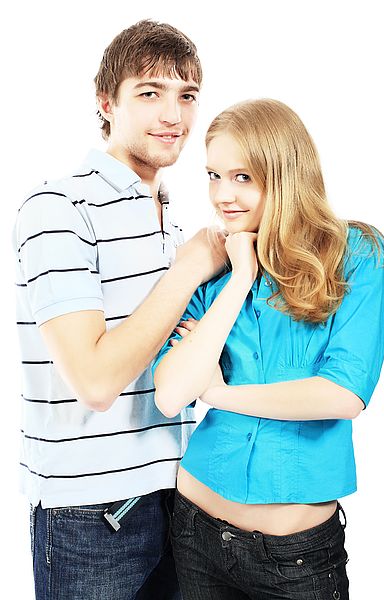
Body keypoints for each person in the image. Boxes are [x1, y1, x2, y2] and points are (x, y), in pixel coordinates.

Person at [13, 19, 226, 600]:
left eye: (186, 96)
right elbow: (97, 380)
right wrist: (188, 270)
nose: (173, 116)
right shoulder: (58, 206)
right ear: (107, 103)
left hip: (184, 498)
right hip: (92, 516)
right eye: (149, 93)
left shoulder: (175, 220)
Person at [152, 98, 384, 599]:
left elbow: (343, 394)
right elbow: (172, 393)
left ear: (285, 174)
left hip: (296, 556)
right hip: (195, 530)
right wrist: (240, 278)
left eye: (242, 177)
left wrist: (220, 394)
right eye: (214, 175)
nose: (222, 195)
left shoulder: (356, 255)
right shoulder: (216, 272)